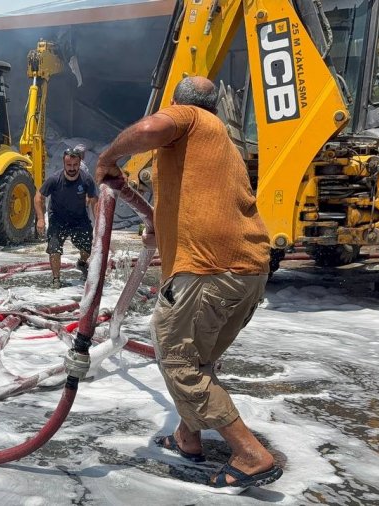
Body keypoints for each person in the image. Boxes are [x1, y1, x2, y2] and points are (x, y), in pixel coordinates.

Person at [95, 76, 282, 490]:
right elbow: (195, 206)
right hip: (247, 270)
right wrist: (158, 232)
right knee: (196, 360)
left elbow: (147, 130)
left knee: (177, 358)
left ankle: (251, 454)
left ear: (178, 104)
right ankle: (188, 436)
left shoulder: (191, 120)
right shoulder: (215, 146)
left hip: (210, 271)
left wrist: (108, 159)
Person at [34, 144, 98, 289]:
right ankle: (56, 279)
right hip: (58, 218)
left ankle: (82, 263)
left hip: (79, 219)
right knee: (54, 249)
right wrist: (40, 218)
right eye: (69, 165)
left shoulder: (86, 179)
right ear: (64, 163)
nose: (72, 168)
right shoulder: (54, 179)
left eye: (75, 165)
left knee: (87, 249)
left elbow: (94, 200)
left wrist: (99, 222)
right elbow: (38, 196)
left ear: (79, 163)